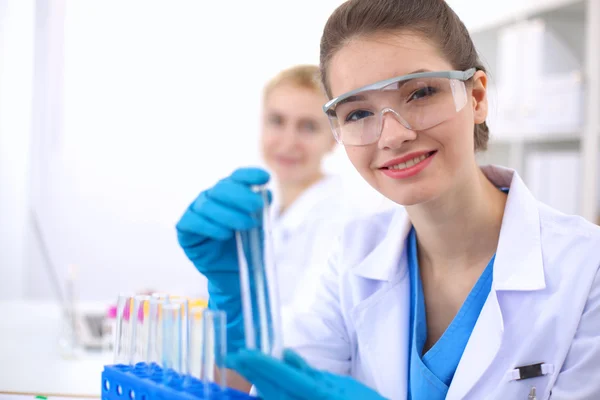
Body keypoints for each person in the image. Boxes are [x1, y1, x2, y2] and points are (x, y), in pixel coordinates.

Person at [176, 0, 600, 399]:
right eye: (358, 114)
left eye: (420, 93)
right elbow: (278, 384)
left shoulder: (587, 269)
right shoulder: (351, 260)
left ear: (477, 97)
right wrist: (239, 319)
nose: (393, 136)